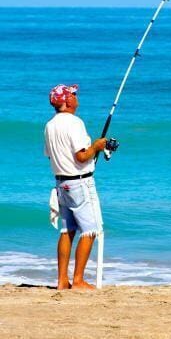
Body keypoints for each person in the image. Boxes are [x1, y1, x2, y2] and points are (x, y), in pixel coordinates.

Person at [44, 84, 106, 290]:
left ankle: (62, 281)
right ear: (67, 101)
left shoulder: (50, 125)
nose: (76, 97)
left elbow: (50, 154)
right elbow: (81, 156)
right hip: (80, 182)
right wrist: (96, 147)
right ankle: (78, 280)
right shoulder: (75, 123)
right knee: (91, 230)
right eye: (73, 94)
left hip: (61, 183)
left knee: (67, 230)